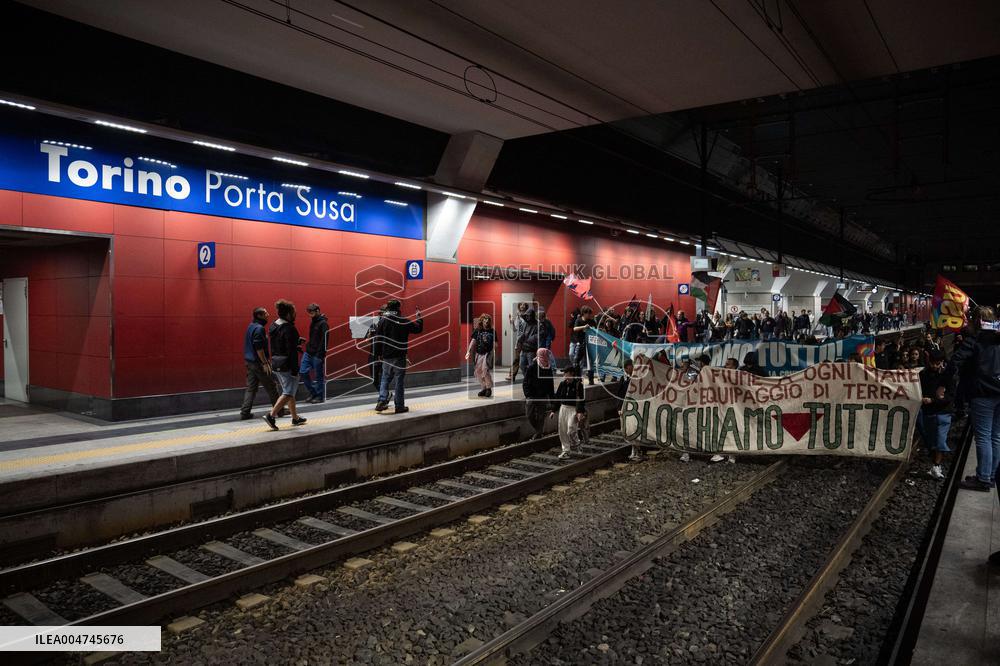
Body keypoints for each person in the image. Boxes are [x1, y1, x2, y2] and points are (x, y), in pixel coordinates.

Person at [949, 306, 1000, 491]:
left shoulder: (976, 339)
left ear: (977, 321)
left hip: (983, 393)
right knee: (996, 436)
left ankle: (983, 478)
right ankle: (991, 475)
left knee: (984, 437)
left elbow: (956, 360)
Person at [373, 299, 424, 414]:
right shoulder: (403, 320)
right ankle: (399, 406)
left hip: (386, 356)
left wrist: (377, 354)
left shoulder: (383, 321)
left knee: (385, 378)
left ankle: (382, 400)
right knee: (399, 381)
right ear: (398, 308)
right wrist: (419, 317)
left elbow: (378, 339)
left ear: (388, 308)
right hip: (400, 355)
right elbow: (418, 329)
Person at [263, 299, 306, 430]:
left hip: (276, 363)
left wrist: (296, 342)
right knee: (288, 392)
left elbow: (280, 343)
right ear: (288, 313)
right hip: (287, 365)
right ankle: (271, 415)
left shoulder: (273, 326)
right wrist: (295, 369)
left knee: (290, 391)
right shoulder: (290, 328)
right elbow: (291, 351)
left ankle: (295, 418)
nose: (295, 314)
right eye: (294, 312)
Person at [240, 306, 279, 420]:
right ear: (259, 315)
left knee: (251, 388)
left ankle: (245, 412)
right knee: (272, 386)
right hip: (258, 363)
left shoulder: (251, 326)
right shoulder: (259, 329)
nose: (268, 314)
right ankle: (279, 410)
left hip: (249, 362)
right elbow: (259, 348)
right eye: (265, 313)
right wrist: (265, 363)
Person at [920, 349, 953, 480]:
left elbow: (950, 396)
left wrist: (933, 400)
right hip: (929, 412)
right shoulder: (924, 374)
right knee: (931, 439)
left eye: (937, 363)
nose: (934, 366)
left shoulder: (948, 376)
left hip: (943, 412)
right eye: (932, 363)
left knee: (940, 439)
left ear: (942, 362)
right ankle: (934, 463)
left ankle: (936, 465)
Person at [522, 347, 556, 439]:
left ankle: (538, 433)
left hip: (542, 396)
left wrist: (553, 402)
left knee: (541, 416)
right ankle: (538, 430)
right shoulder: (532, 367)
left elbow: (550, 386)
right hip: (532, 395)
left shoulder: (548, 368)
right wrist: (528, 395)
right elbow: (525, 382)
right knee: (529, 415)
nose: (547, 356)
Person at [299, 303, 329, 404]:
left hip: (317, 354)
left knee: (318, 376)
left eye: (312, 312)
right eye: (309, 313)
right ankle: (313, 393)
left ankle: (320, 396)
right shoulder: (313, 322)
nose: (310, 314)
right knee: (303, 372)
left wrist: (320, 354)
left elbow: (324, 340)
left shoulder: (323, 323)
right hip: (309, 352)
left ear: (318, 311)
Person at [555, 365, 587, 459]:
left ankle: (577, 443)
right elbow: (557, 397)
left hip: (573, 409)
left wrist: (580, 411)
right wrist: (553, 410)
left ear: (572, 374)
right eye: (564, 373)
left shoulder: (578, 385)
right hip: (563, 408)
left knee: (571, 429)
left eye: (566, 373)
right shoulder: (562, 384)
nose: (564, 375)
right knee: (562, 431)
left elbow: (581, 399)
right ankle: (566, 450)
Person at [466, 313, 496, 397]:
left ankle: (489, 388)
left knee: (485, 370)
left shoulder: (492, 331)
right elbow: (473, 341)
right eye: (484, 320)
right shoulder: (477, 330)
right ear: (481, 321)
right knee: (477, 371)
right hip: (479, 354)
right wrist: (468, 351)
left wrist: (493, 352)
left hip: (488, 353)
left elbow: (495, 344)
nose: (486, 321)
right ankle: (483, 387)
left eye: (487, 320)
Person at [571, 306, 595, 385]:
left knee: (590, 362)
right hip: (580, 344)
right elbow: (575, 328)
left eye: (590, 313)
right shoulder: (579, 320)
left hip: (590, 345)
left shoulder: (592, 321)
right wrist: (584, 327)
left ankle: (591, 379)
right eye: (588, 313)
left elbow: (596, 330)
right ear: (584, 313)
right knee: (576, 361)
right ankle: (578, 379)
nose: (589, 315)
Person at [508, 302, 530, 382]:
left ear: (526, 307)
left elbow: (529, 325)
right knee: (517, 358)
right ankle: (512, 375)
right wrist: (511, 322)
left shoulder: (528, 316)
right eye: (521, 305)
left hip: (527, 341)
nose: (522, 306)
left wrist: (521, 316)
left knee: (527, 360)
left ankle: (529, 376)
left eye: (524, 305)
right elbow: (514, 329)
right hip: (519, 341)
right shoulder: (518, 317)